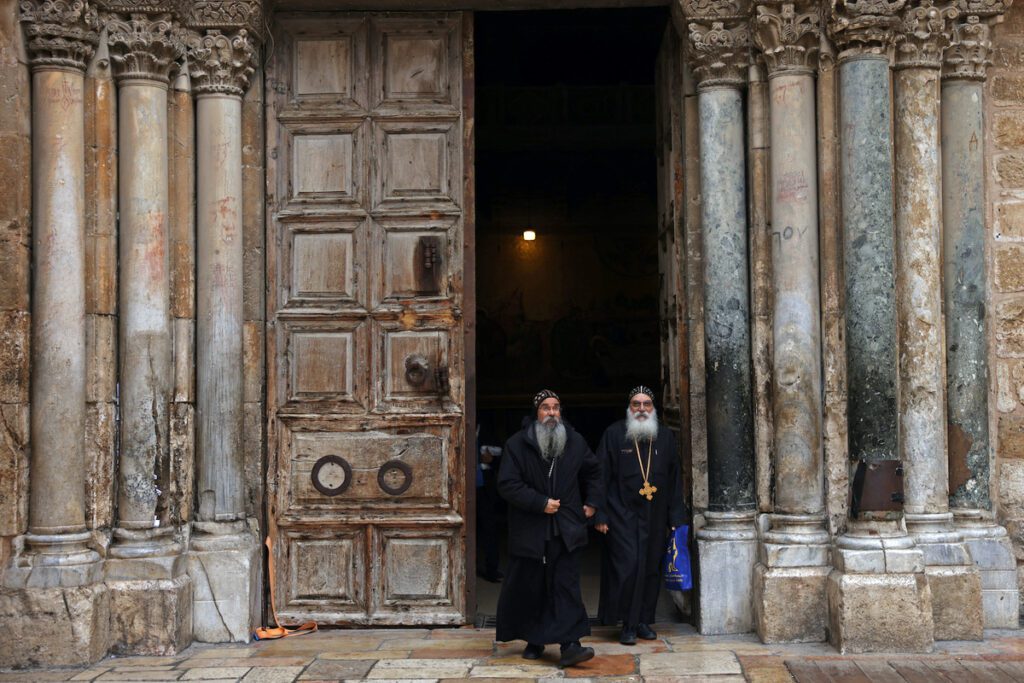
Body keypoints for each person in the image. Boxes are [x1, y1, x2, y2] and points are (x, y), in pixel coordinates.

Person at [495, 389, 602, 668]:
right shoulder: (517, 444)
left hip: (566, 528)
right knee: (533, 587)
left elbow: (594, 471)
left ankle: (571, 645)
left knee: (566, 586)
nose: (552, 412)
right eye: (546, 407)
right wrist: (539, 502)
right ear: (536, 413)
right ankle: (535, 640)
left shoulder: (575, 441)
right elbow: (507, 484)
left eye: (556, 407)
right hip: (531, 530)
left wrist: (592, 502)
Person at [594, 385, 688, 645]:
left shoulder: (665, 436)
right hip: (621, 512)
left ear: (653, 408)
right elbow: (600, 476)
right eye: (636, 404)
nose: (642, 409)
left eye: (647, 404)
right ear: (629, 407)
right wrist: (599, 513)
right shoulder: (614, 434)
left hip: (655, 513)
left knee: (650, 568)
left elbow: (675, 479)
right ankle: (627, 623)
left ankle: (644, 621)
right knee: (629, 565)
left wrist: (675, 518)